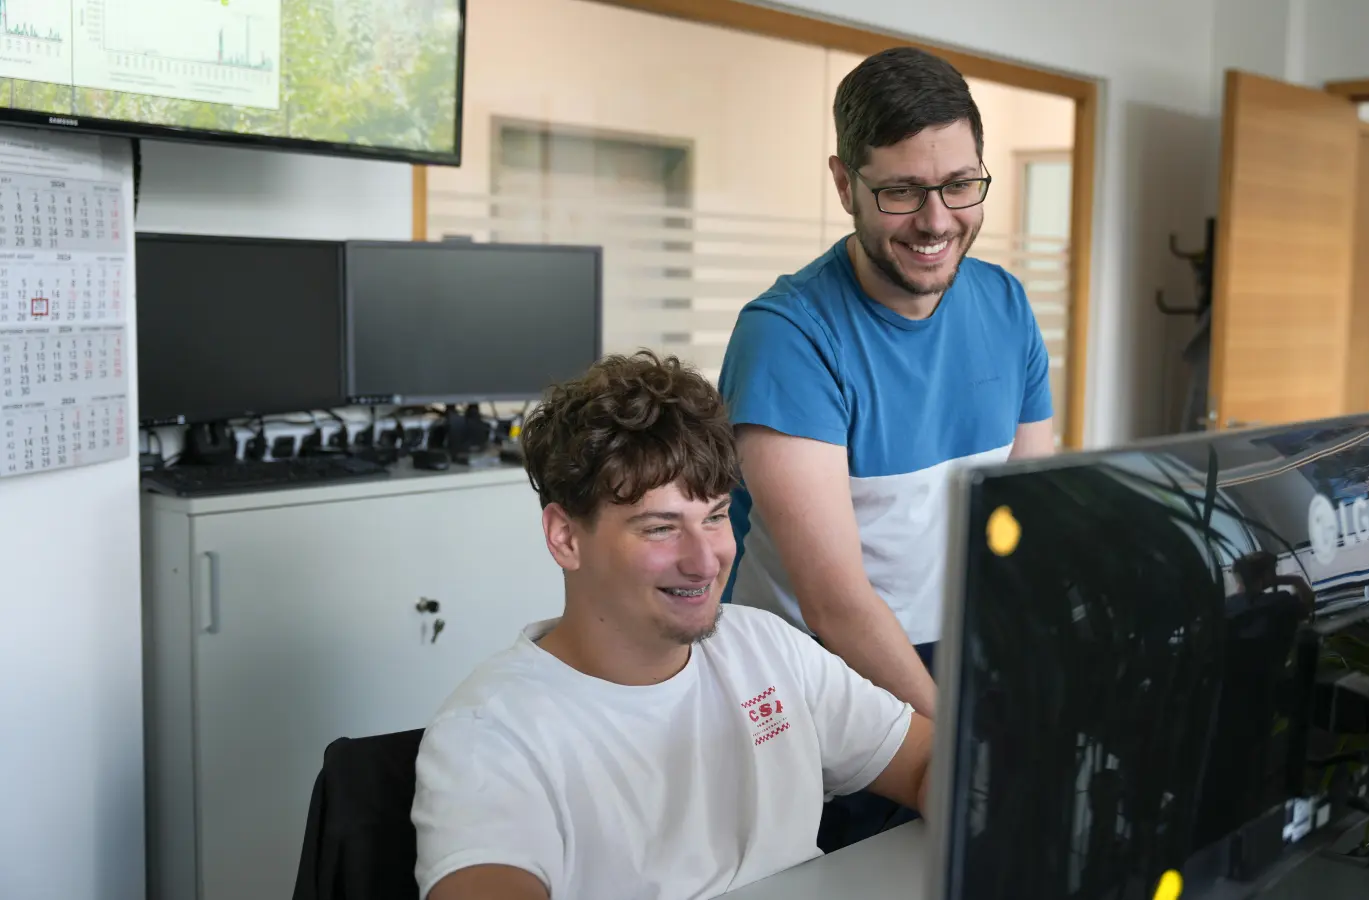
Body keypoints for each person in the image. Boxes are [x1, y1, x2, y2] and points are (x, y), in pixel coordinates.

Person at [411, 351, 934, 900]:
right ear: (565, 537)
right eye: (661, 528)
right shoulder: (489, 735)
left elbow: (927, 761)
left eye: (713, 518)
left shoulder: (768, 646)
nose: (705, 562)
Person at [716, 46, 1054, 846]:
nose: (937, 221)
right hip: (816, 685)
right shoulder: (789, 338)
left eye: (960, 185)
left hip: (954, 658)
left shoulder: (1005, 307)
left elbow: (1033, 527)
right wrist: (970, 728)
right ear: (846, 185)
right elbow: (837, 604)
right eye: (901, 191)